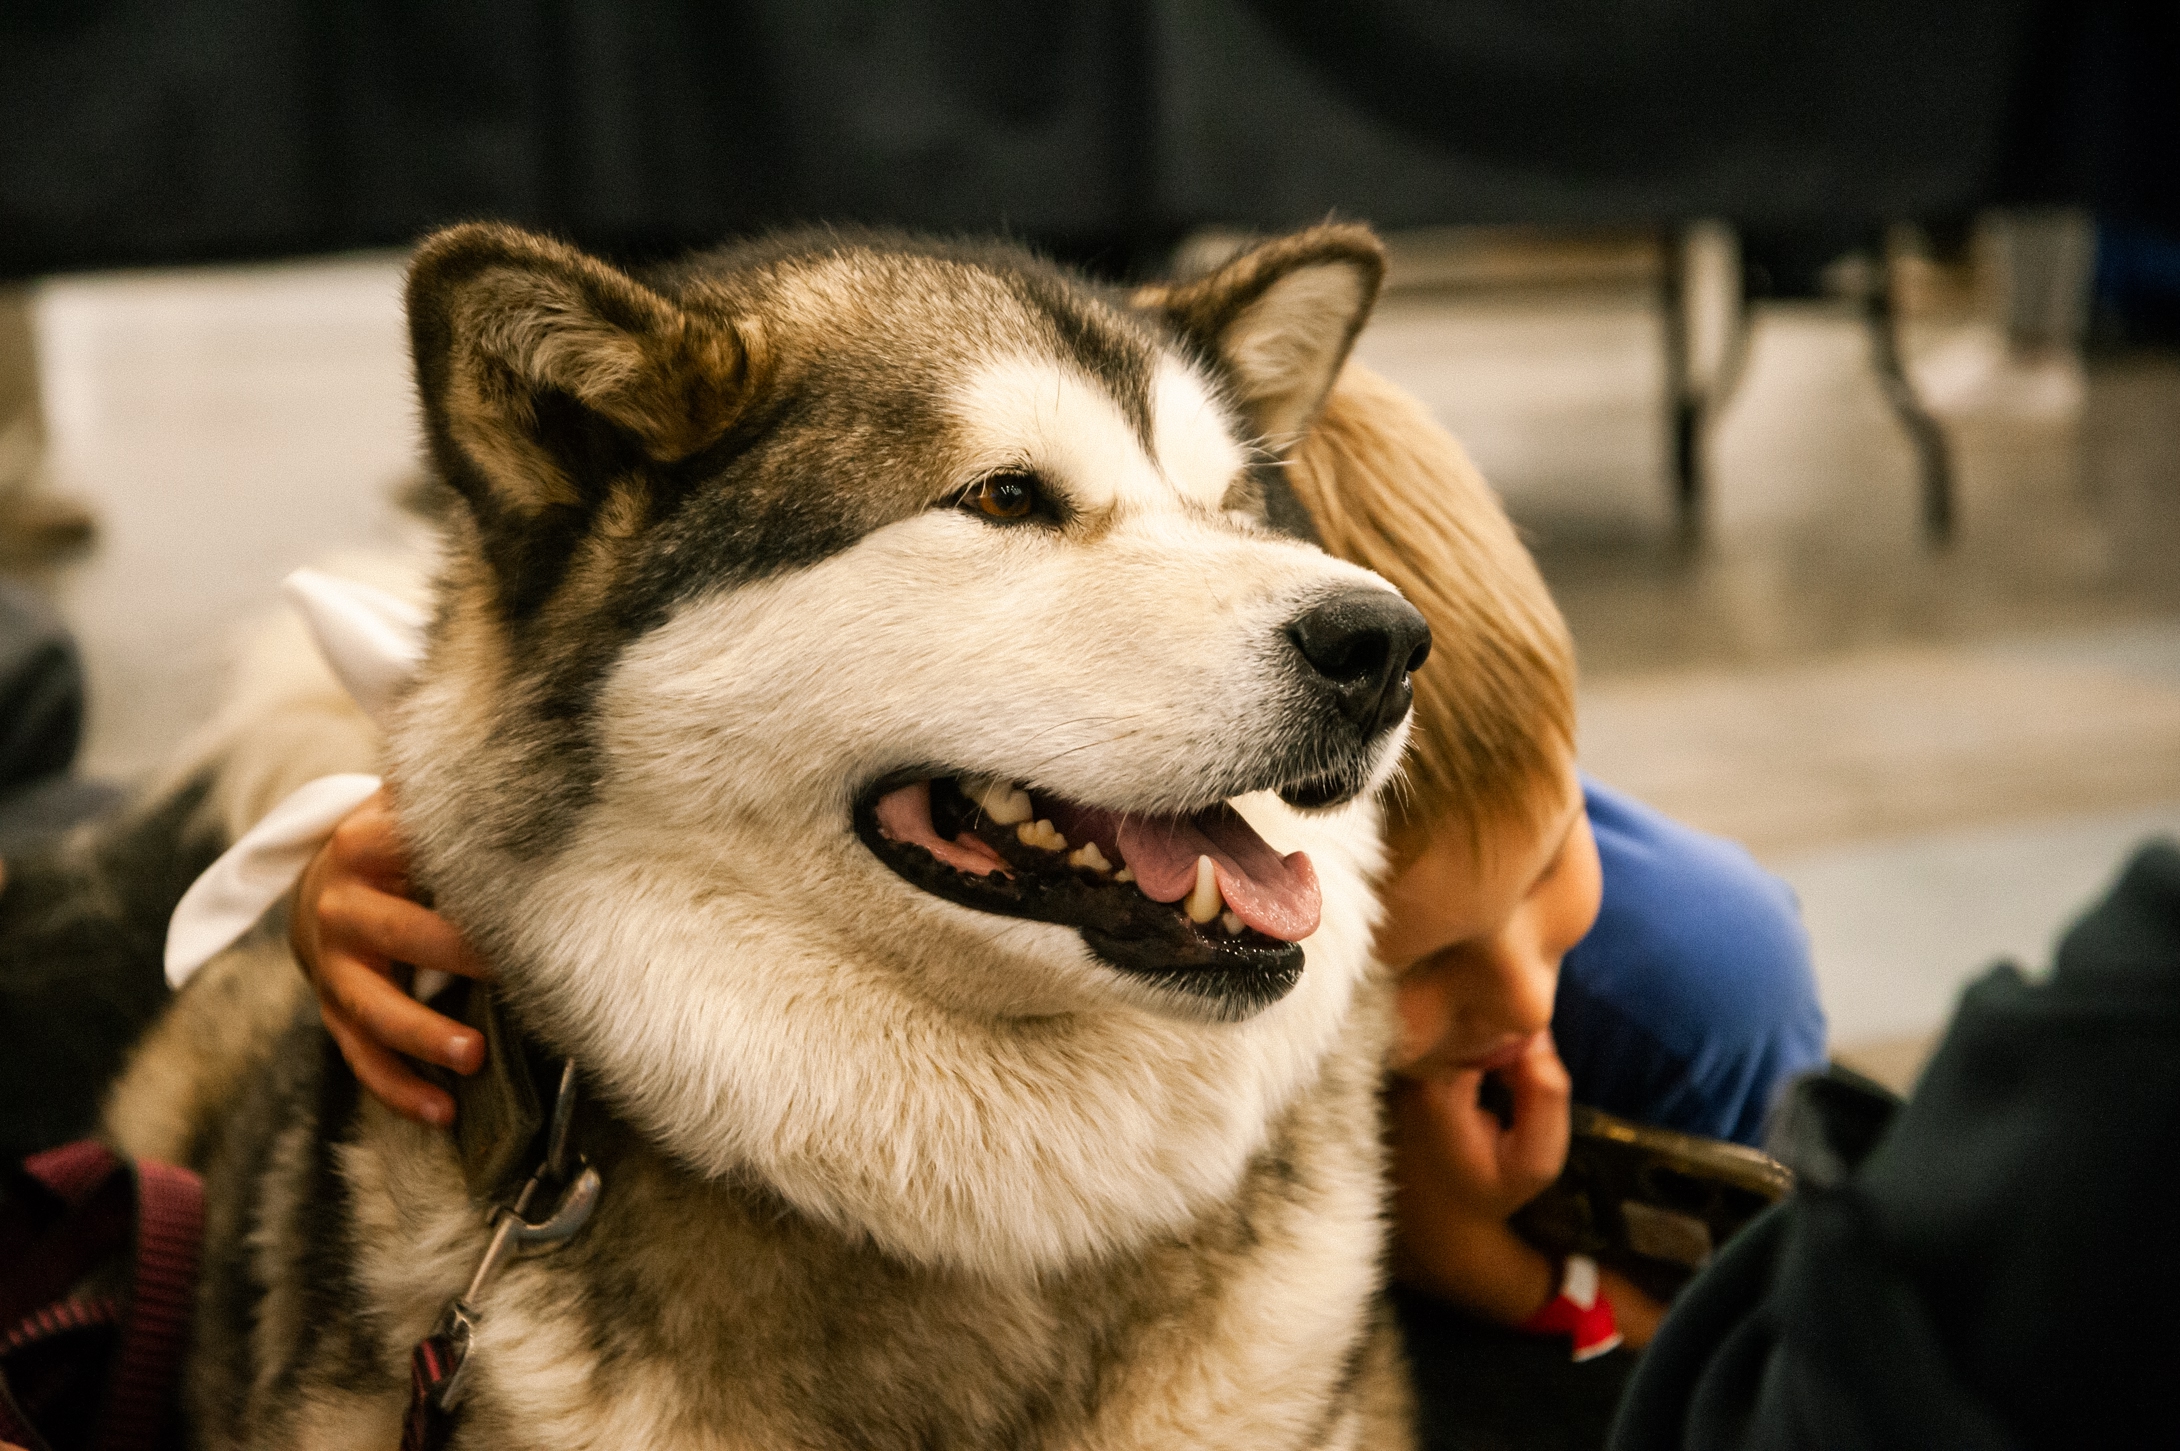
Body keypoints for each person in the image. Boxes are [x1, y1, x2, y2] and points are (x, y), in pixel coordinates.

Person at [289, 364, 1827, 1404]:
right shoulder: (1154, 874)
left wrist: (1522, 1279)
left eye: (1549, 866)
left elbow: (1764, 1376)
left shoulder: (1687, 976)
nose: (1516, 1000)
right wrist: (362, 856)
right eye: (1410, 968)